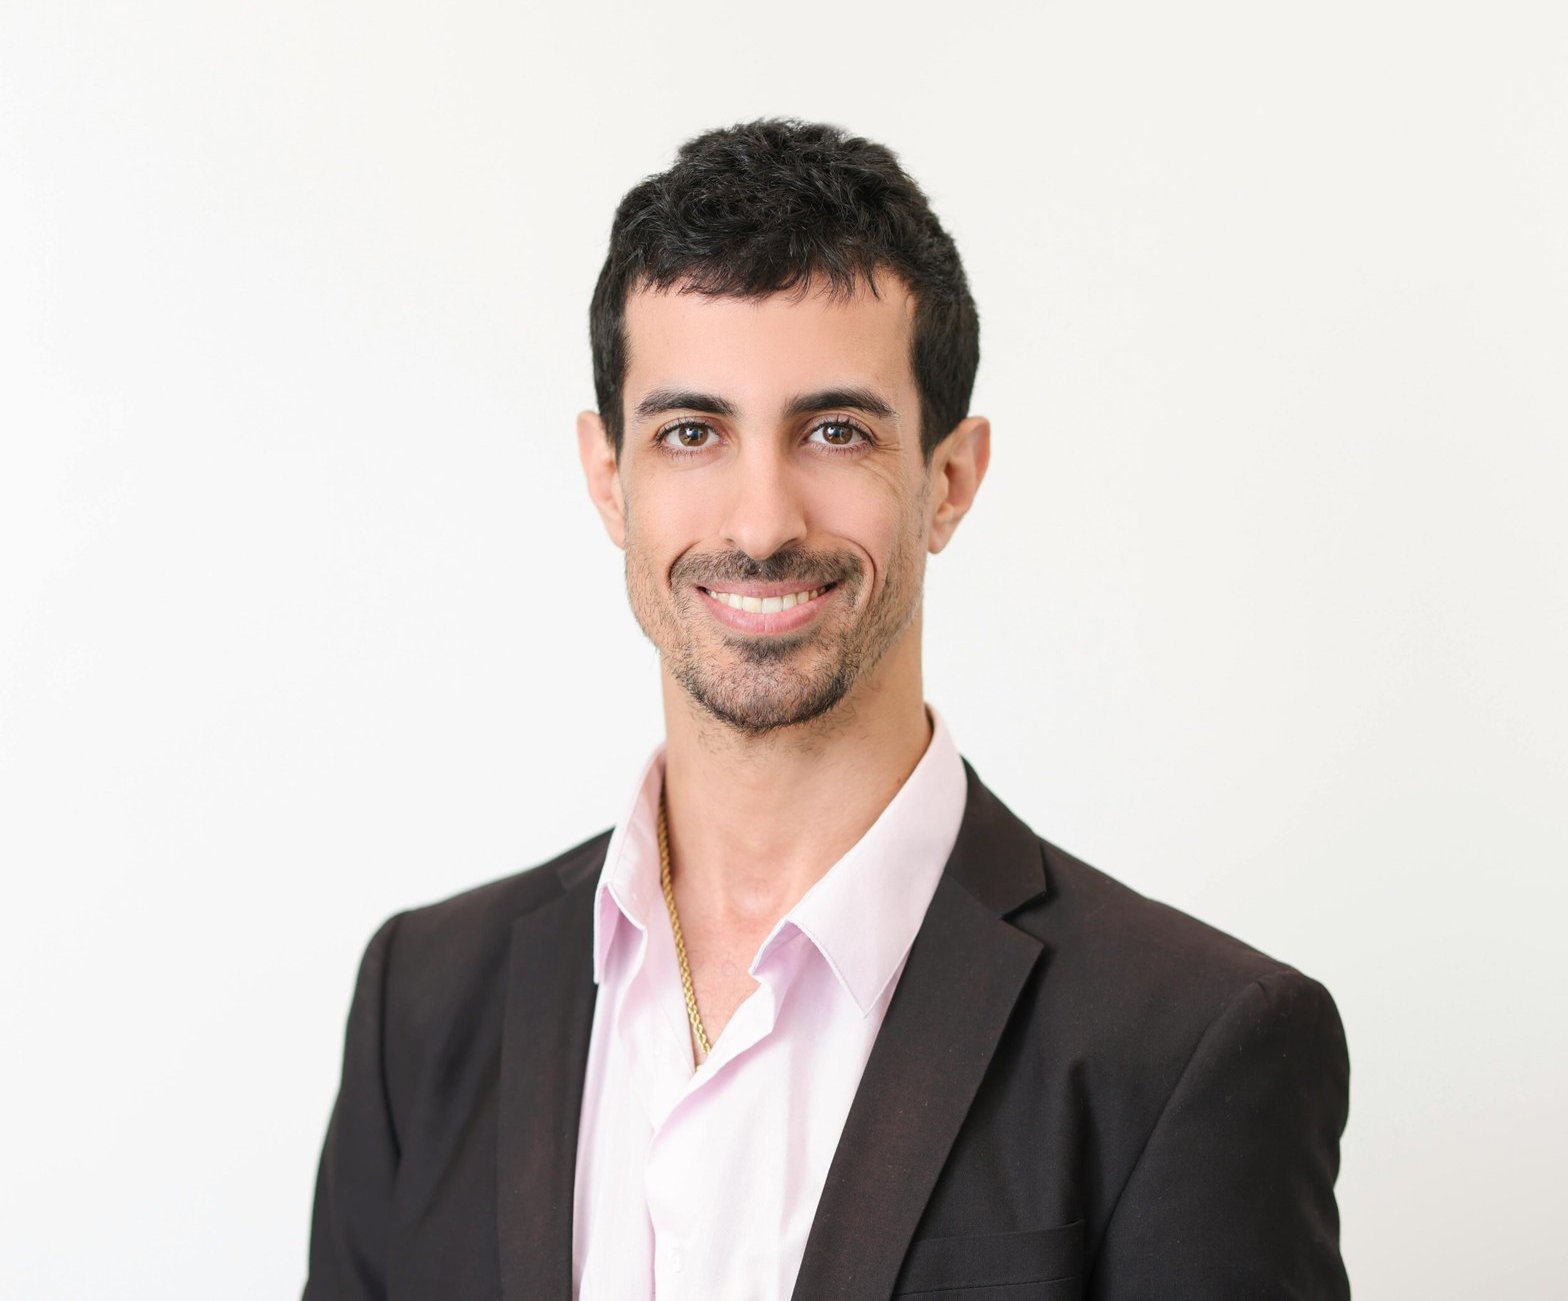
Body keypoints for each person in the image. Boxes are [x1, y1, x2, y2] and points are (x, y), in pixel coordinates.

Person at [303, 119, 1349, 1301]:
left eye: (835, 430)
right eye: (691, 432)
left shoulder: (1185, 1043)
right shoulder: (421, 1002)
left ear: (948, 479)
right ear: (609, 478)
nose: (760, 523)